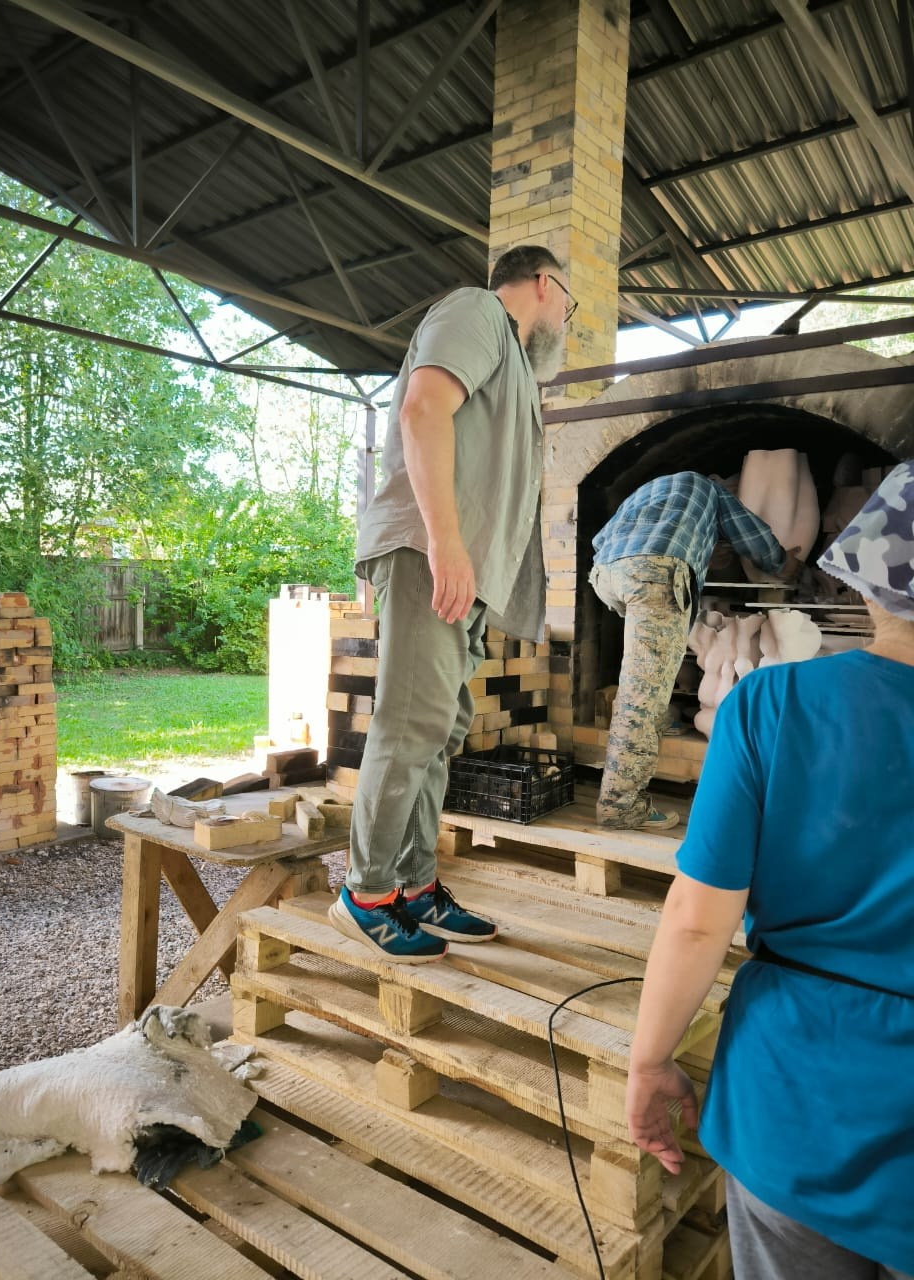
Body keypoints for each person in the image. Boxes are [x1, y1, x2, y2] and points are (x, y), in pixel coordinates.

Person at [624, 461, 914, 1280]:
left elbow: (697, 916)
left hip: (797, 1103)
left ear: (865, 586)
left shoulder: (769, 706)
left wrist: (650, 1062)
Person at [328, 244, 574, 962]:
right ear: (542, 282)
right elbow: (423, 407)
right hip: (427, 553)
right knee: (410, 725)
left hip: (458, 568)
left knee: (440, 728)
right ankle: (365, 893)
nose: (567, 317)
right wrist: (447, 545)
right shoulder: (477, 310)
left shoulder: (517, 365)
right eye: (569, 302)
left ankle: (413, 884)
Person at [588, 471, 801, 831]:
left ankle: (658, 718)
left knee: (646, 672)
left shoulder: (649, 488)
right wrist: (787, 565)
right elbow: (753, 535)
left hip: (608, 573)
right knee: (643, 695)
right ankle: (620, 807)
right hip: (655, 570)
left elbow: (599, 538)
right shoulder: (710, 489)